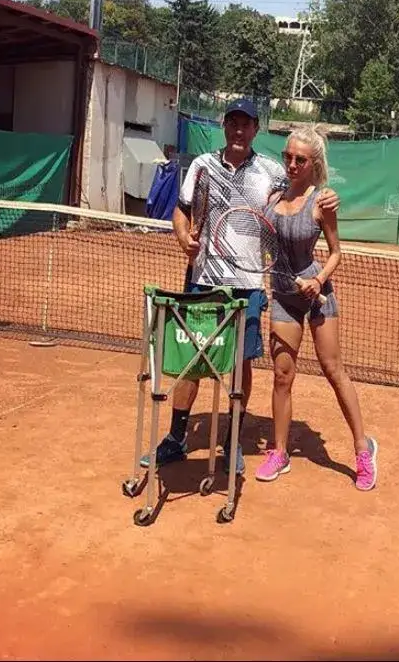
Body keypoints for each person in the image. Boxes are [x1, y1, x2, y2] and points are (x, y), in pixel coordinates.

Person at [141, 99, 340, 475]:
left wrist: (326, 194)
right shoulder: (202, 166)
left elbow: (303, 189)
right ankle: (176, 438)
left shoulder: (272, 172)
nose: (238, 130)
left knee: (240, 363)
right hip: (203, 279)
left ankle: (232, 439)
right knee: (191, 361)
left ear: (255, 130)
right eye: (232, 122)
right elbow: (181, 210)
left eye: (245, 124)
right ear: (224, 125)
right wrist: (183, 238)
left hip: (248, 285)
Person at [255, 126, 379, 491]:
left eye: (300, 159)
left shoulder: (322, 202)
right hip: (283, 295)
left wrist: (318, 279)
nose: (292, 164)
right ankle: (279, 452)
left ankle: (363, 449)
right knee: (282, 375)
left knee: (332, 369)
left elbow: (337, 252)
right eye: (288, 157)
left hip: (317, 293)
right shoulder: (273, 196)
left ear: (314, 163)